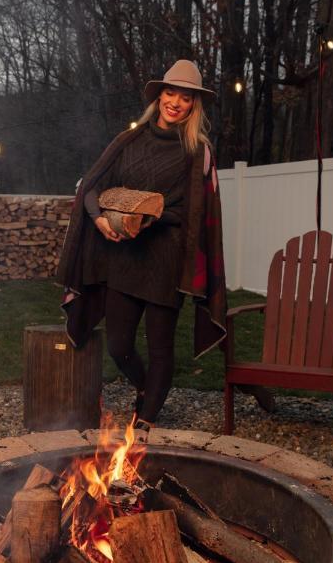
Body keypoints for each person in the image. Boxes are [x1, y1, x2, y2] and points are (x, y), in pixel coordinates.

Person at [57, 59, 227, 436]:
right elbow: (91, 187)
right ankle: (148, 389)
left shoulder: (197, 150)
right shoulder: (129, 141)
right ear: (159, 96)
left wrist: (148, 217)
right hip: (125, 258)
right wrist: (101, 219)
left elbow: (192, 212)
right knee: (119, 345)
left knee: (161, 348)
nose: (176, 103)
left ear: (193, 105)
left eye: (186, 98)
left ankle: (146, 420)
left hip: (166, 260)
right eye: (171, 93)